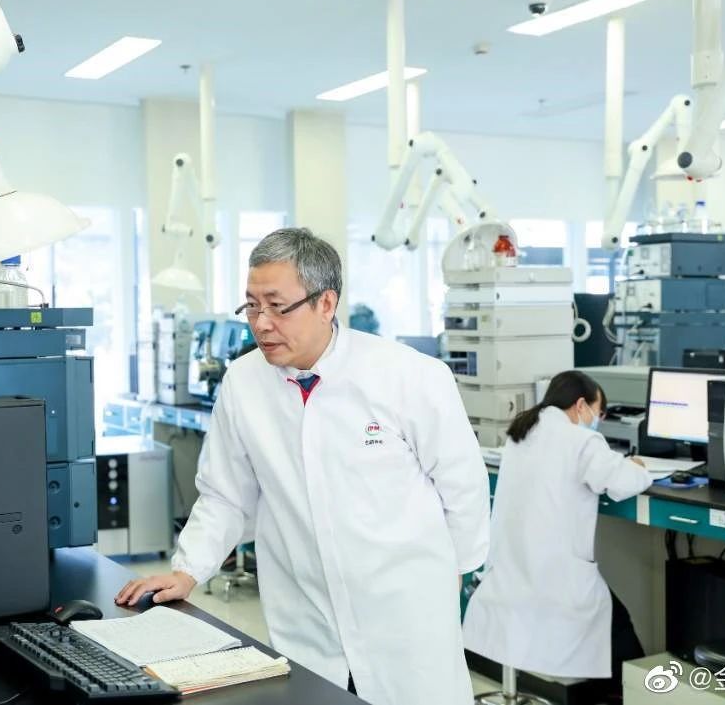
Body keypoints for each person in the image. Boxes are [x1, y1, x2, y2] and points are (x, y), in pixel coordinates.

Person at [117, 228, 490, 705]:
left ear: (326, 303)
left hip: (407, 623)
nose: (261, 323)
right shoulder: (244, 383)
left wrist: (447, 581)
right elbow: (225, 495)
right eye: (252, 306)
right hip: (305, 623)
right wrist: (187, 570)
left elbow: (464, 490)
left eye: (277, 306)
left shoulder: (409, 376)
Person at [462, 370, 653, 698]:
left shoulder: (521, 435)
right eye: (598, 412)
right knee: (618, 631)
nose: (597, 421)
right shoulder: (581, 441)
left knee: (611, 630)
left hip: (510, 574)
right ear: (580, 405)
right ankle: (634, 696)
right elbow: (622, 482)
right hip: (554, 582)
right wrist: (637, 466)